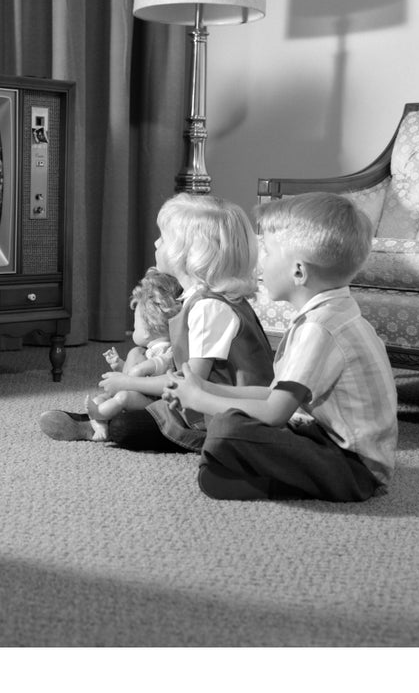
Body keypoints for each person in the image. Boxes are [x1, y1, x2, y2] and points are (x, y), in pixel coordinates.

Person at [162, 191, 397, 502]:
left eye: (269, 253)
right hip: (324, 439)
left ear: (298, 271)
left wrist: (200, 399)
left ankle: (273, 485)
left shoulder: (320, 329)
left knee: (229, 429)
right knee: (227, 425)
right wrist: (205, 387)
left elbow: (273, 413)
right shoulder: (326, 314)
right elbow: (272, 395)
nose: (260, 262)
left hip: (354, 470)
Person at [39, 193, 274, 450]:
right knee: (132, 399)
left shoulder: (210, 308)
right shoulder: (203, 299)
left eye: (163, 238)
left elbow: (191, 383)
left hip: (227, 415)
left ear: (187, 252)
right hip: (207, 401)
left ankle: (101, 424)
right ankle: (98, 419)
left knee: (127, 426)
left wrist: (128, 382)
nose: (155, 242)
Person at [82, 268, 182, 440]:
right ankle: (100, 427)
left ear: (147, 330)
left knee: (123, 397)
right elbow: (132, 374)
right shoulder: (146, 351)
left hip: (153, 402)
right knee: (102, 398)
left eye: (135, 326)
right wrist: (120, 365)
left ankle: (99, 415)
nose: (133, 328)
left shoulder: (168, 350)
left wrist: (136, 372)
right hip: (140, 393)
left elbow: (156, 366)